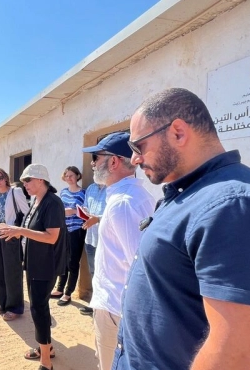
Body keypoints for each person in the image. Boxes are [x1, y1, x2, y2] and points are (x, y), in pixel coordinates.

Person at [116, 88, 250, 369]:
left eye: (138, 146)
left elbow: (241, 358)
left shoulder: (240, 208)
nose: (134, 159)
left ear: (178, 133)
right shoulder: (190, 193)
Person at [81, 132, 155, 369]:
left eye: (96, 157)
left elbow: (140, 268)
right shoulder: (131, 197)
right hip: (116, 309)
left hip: (115, 310)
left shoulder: (123, 203)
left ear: (113, 161)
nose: (93, 163)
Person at [0, 164, 67, 370]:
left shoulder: (52, 203)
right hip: (35, 262)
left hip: (45, 265)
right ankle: (46, 348)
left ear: (41, 180)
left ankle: (45, 361)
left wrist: (21, 231)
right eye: (23, 181)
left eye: (28, 180)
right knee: (38, 307)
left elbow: (51, 236)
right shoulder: (37, 201)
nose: (24, 184)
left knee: (39, 308)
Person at [0, 168, 29, 321]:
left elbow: (26, 213)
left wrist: (19, 232)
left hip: (11, 236)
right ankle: (3, 303)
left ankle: (15, 307)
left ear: (5, 178)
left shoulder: (16, 192)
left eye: (0, 178)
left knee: (12, 272)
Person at [50, 166, 86, 306]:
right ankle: (59, 289)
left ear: (77, 176)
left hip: (77, 230)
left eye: (71, 175)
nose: (69, 178)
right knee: (63, 260)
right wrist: (70, 211)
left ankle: (68, 292)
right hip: (63, 230)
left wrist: (71, 211)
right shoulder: (63, 192)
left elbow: (82, 211)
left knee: (73, 262)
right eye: (66, 175)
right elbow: (61, 211)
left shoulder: (83, 193)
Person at [78, 158, 109, 317]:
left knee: (106, 273)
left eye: (96, 164)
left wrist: (97, 218)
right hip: (90, 239)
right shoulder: (90, 188)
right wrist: (84, 212)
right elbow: (86, 207)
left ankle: (106, 308)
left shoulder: (113, 188)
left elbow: (114, 215)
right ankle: (96, 304)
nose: (93, 167)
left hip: (105, 240)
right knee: (94, 272)